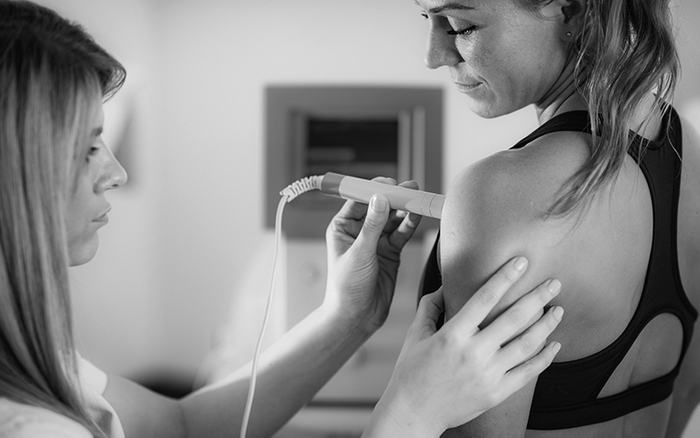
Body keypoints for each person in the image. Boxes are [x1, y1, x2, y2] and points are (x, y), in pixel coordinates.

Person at [0, 1, 565, 436]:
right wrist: (411, 413)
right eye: (88, 147)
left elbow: (183, 428)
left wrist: (348, 316)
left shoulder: (36, 365)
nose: (117, 173)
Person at [414, 0, 700, 436]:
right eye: (427, 20)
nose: (434, 55)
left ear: (571, 10)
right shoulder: (686, 145)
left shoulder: (498, 194)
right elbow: (688, 386)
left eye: (459, 26)